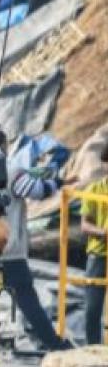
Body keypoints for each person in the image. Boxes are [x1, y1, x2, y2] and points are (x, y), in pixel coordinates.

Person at [2, 135, 71, 351]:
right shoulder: (9, 170)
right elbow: (36, 191)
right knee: (27, 298)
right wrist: (58, 183)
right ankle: (54, 344)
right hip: (8, 250)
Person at [80, 145, 108, 345]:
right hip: (98, 255)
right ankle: (92, 350)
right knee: (92, 309)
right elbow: (85, 224)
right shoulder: (94, 189)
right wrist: (103, 233)